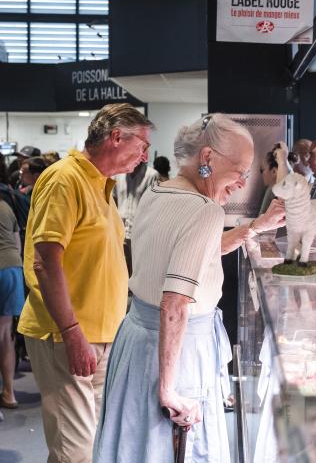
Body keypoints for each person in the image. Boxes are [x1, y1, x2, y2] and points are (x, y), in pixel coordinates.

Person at [92, 114, 285, 462]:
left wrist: (257, 226)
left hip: (138, 340)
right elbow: (175, 304)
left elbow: (201, 252)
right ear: (207, 158)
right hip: (178, 352)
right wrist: (168, 390)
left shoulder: (158, 191)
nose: (242, 182)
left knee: (136, 447)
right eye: (239, 170)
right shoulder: (204, 210)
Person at [17, 103, 153, 462]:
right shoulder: (65, 179)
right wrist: (72, 329)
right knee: (75, 451)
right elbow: (45, 262)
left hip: (101, 337)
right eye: (141, 145)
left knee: (88, 448)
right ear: (115, 137)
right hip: (67, 335)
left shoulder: (101, 185)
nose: (145, 156)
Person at [0, 159, 23, 413]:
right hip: (12, 270)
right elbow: (17, 245)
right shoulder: (6, 206)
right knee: (5, 336)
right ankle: (9, 392)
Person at [114, 161, 158, 276]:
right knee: (120, 269)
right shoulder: (118, 174)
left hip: (140, 231)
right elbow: (112, 200)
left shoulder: (151, 175)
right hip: (119, 230)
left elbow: (154, 205)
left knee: (137, 271)